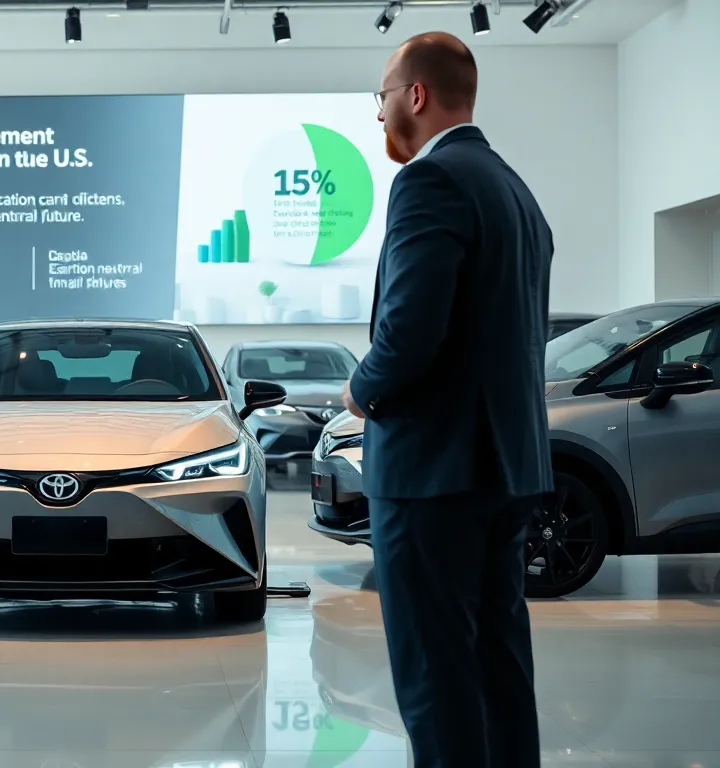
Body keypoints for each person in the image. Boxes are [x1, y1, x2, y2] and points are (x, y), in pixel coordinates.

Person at [340, 33, 553, 768]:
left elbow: (409, 333)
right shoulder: (514, 189)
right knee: (498, 672)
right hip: (506, 469)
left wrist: (360, 391)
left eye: (384, 99)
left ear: (416, 96)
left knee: (436, 683)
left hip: (433, 476)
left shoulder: (430, 182)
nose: (380, 116)